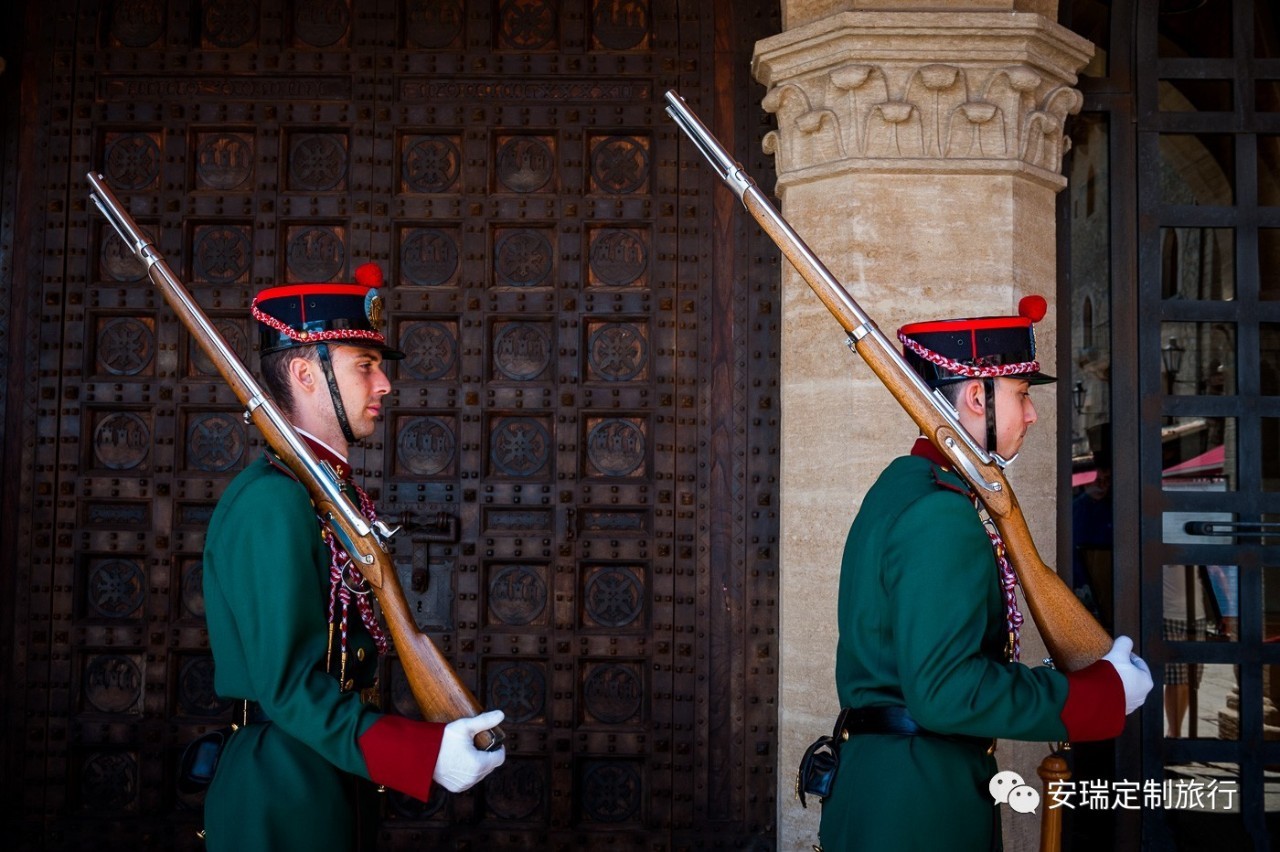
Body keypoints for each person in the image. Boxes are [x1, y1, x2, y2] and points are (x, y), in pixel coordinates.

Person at [816, 296, 1152, 852]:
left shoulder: (913, 488)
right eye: (1021, 394)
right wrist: (1095, 694)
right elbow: (945, 691)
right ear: (977, 396)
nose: (1033, 413)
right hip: (917, 810)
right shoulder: (939, 511)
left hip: (902, 791)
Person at [201, 264, 505, 851]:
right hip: (281, 799)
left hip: (332, 783)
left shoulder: (325, 494)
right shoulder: (273, 501)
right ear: (303, 374)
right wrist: (423, 754)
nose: (384, 383)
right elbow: (290, 688)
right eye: (363, 366)